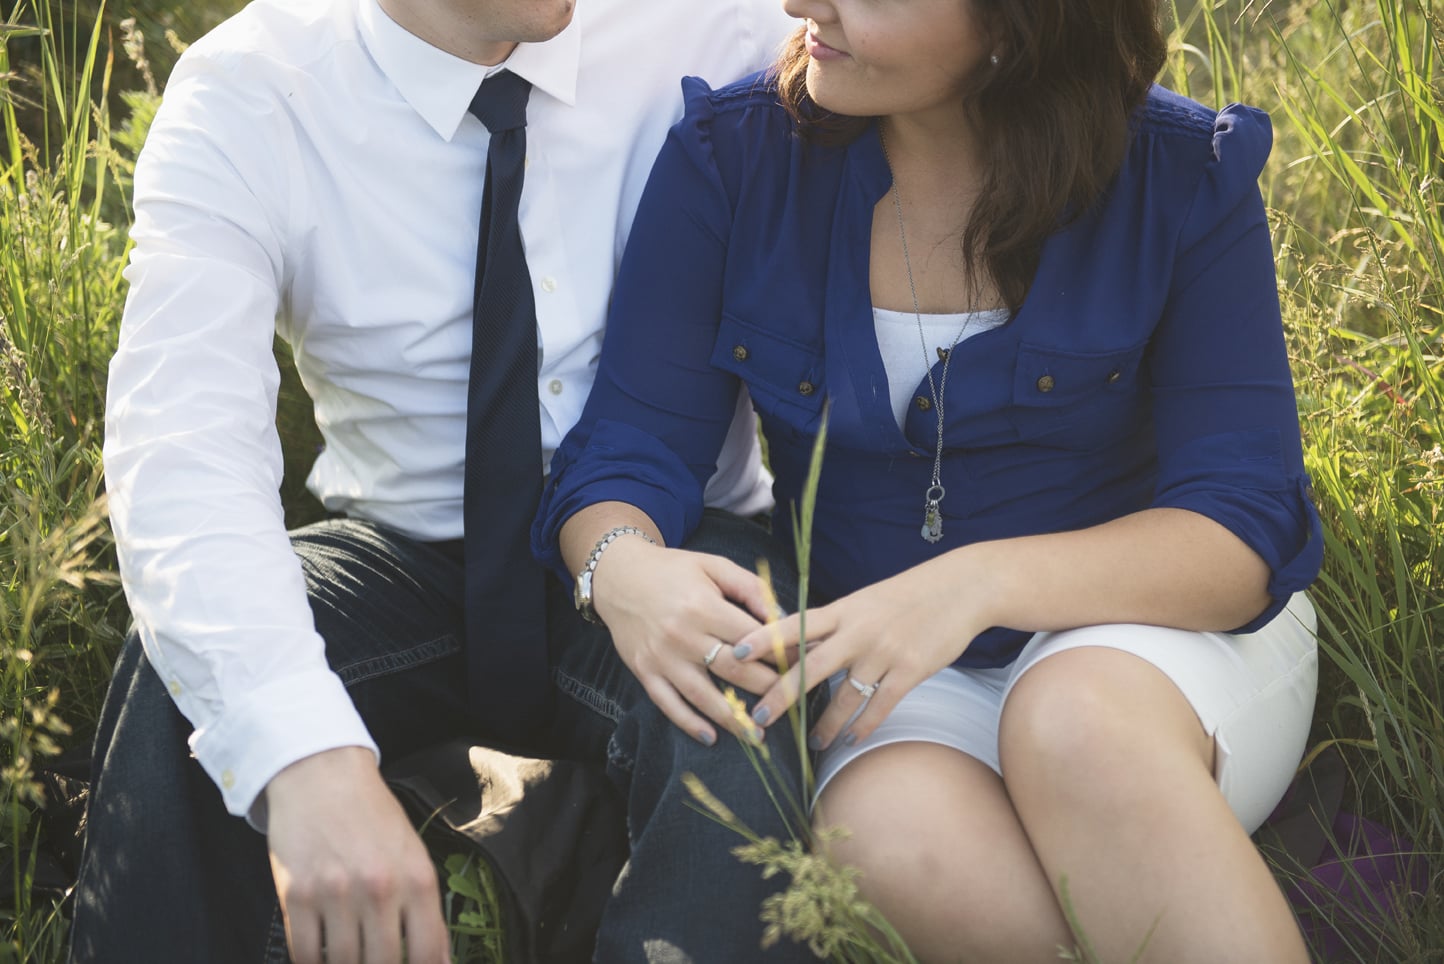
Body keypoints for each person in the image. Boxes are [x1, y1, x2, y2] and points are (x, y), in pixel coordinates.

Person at [533, 0, 1325, 960]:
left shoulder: (1177, 171)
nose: (798, 6)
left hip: (1157, 636)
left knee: (1073, 724)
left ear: (1018, 23)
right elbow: (629, 445)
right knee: (890, 842)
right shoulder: (734, 156)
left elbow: (1240, 529)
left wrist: (972, 581)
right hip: (892, 672)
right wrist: (618, 565)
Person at [69, 0, 820, 962]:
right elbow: (181, 438)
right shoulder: (251, 87)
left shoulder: (723, 26)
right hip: (404, 560)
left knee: (755, 694)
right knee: (190, 676)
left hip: (673, 537)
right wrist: (301, 759)